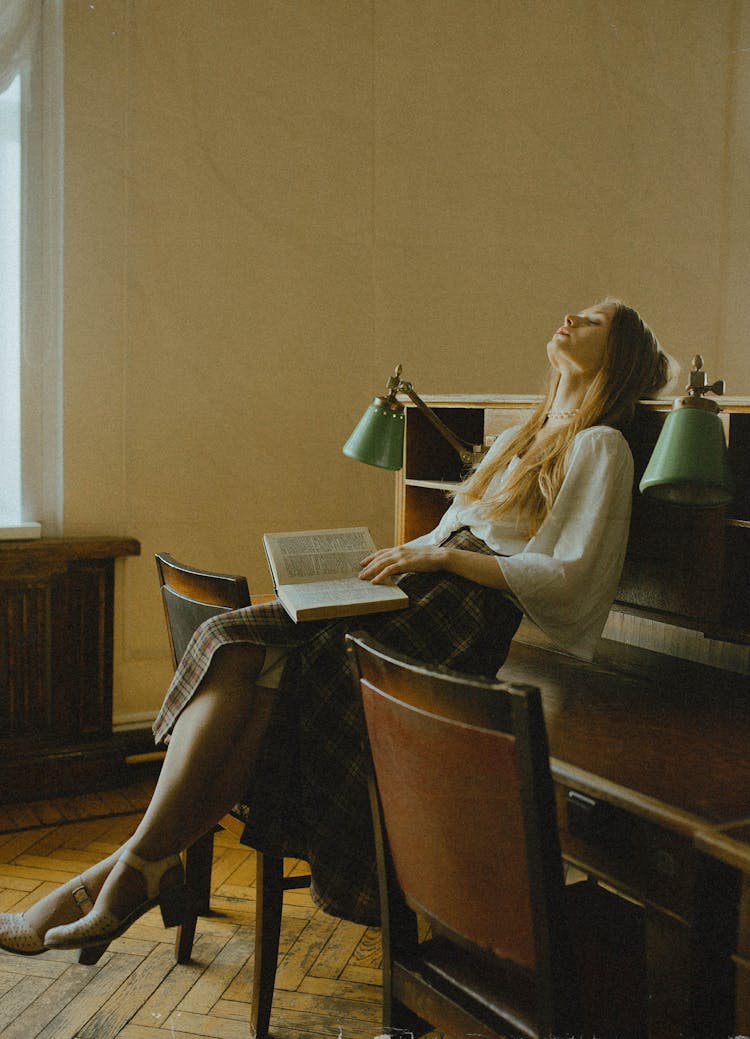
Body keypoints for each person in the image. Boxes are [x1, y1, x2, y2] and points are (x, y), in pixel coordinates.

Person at [0, 298, 674, 957]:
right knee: (237, 643)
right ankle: (137, 871)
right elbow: (452, 529)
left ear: (616, 356)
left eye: (596, 319)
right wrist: (395, 558)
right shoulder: (521, 435)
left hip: (459, 620)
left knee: (261, 663)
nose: (572, 316)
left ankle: (116, 877)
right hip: (422, 596)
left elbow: (574, 577)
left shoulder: (601, 446)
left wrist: (439, 554)